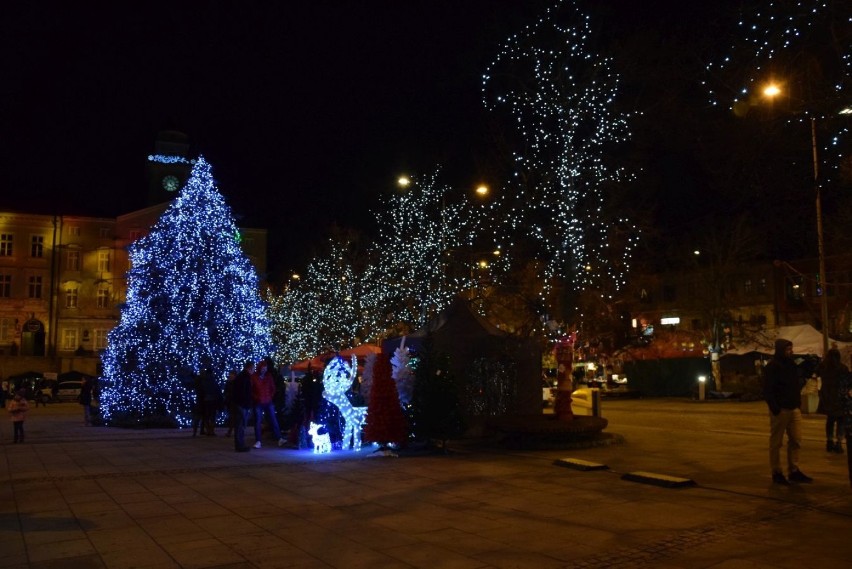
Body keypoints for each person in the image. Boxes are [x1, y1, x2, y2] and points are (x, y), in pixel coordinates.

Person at [764, 339, 813, 485]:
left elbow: (797, 382)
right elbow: (768, 389)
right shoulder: (772, 366)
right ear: (780, 350)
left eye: (791, 349)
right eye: (787, 349)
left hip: (793, 408)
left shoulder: (791, 364)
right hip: (781, 409)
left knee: (796, 440)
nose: (790, 351)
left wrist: (797, 403)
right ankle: (777, 472)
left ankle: (794, 470)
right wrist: (775, 407)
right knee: (776, 443)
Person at [817, 348, 846, 454]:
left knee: (830, 420)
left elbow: (817, 376)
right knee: (841, 420)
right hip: (839, 398)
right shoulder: (842, 368)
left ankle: (829, 441)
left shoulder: (823, 367)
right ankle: (838, 442)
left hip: (827, 397)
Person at [251, 360, 285, 448]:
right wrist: (256, 397)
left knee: (273, 419)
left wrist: (270, 396)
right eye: (263, 368)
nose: (264, 370)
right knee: (258, 421)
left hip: (267, 400)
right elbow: (251, 389)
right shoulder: (254, 377)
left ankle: (279, 438)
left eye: (265, 368)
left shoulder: (268, 376)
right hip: (259, 401)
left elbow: (273, 388)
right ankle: (258, 440)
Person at [233, 362, 254, 452]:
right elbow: (244, 392)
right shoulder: (245, 377)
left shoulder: (241, 376)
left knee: (240, 425)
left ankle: (240, 444)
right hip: (242, 404)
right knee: (240, 425)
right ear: (250, 368)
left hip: (240, 403)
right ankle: (240, 445)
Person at [224, 370, 237, 437]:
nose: (230, 376)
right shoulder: (228, 383)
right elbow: (226, 391)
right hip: (230, 401)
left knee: (233, 417)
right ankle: (231, 430)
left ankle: (231, 430)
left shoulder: (235, 383)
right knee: (232, 417)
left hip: (234, 402)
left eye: (231, 374)